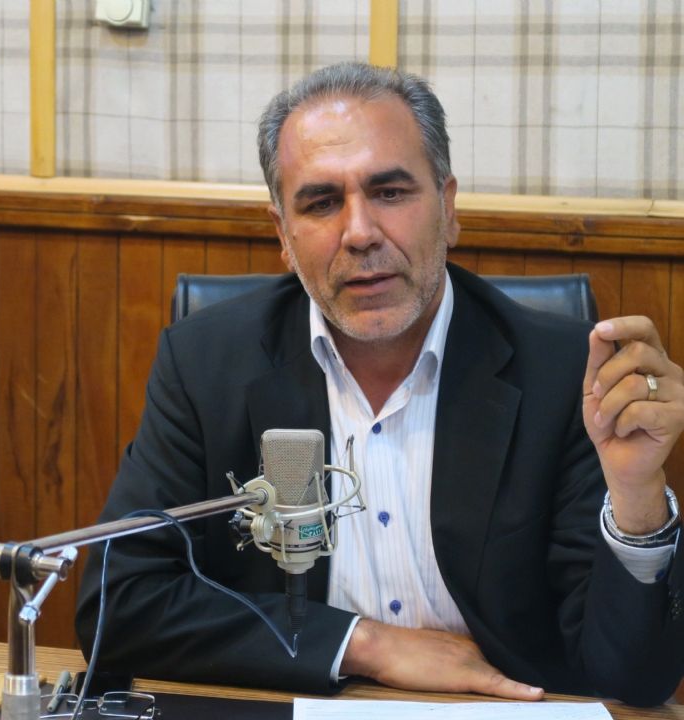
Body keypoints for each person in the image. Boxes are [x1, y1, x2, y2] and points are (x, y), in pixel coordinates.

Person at [74, 62, 684, 707]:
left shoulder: (562, 374)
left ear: (448, 208)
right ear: (283, 235)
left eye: (390, 192)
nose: (360, 233)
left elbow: (634, 680)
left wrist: (637, 497)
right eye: (320, 203)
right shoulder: (206, 364)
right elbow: (119, 603)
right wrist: (364, 643)